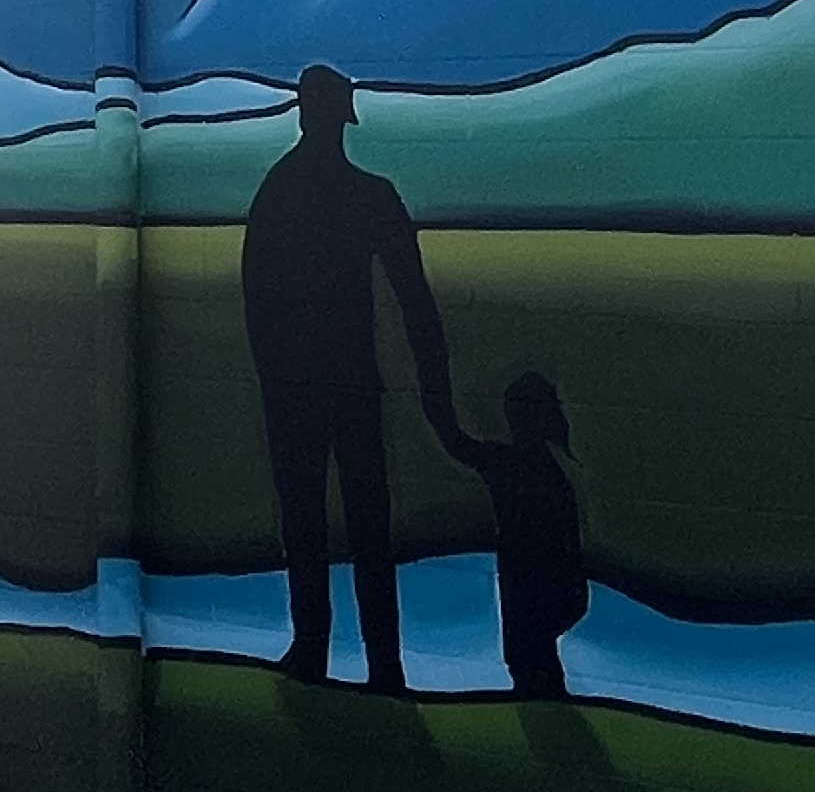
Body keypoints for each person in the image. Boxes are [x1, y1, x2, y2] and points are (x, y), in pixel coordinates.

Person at [240, 65, 460, 693]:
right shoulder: (370, 195)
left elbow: (257, 304)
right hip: (349, 388)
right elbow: (417, 305)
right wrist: (435, 397)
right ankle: (380, 663)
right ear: (340, 117)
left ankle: (320, 650)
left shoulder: (279, 191)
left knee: (309, 524)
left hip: (302, 392)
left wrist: (274, 384)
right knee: (366, 526)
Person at [439, 371, 587, 699]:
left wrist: (433, 387)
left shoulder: (511, 464)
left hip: (529, 582)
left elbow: (456, 442)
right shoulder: (549, 471)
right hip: (544, 585)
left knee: (529, 661)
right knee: (536, 661)